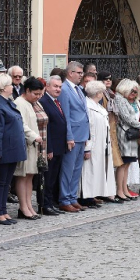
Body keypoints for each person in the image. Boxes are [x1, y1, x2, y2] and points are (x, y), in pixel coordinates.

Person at [0, 73, 26, 224]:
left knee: (7, 182)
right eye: (10, 84)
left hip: (12, 148)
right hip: (4, 148)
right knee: (0, 181)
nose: (13, 87)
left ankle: (3, 210)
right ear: (4, 88)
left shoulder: (6, 102)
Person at [57, 61, 90, 211]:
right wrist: (69, 136)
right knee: (68, 169)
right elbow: (66, 116)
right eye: (79, 73)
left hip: (81, 134)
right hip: (73, 135)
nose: (81, 75)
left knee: (77, 169)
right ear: (70, 73)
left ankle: (72, 196)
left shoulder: (78, 89)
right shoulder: (64, 89)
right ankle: (64, 199)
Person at [12, 77, 46, 219]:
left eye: (40, 94)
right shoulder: (20, 103)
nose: (38, 97)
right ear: (27, 90)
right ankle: (23, 207)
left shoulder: (33, 103)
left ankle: (29, 205)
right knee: (23, 176)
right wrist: (34, 136)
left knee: (30, 176)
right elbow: (22, 124)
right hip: (26, 144)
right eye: (35, 94)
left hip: (35, 145)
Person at [113, 78, 140, 199]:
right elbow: (127, 118)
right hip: (125, 134)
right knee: (123, 164)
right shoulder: (120, 100)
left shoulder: (130, 101)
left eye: (136, 92)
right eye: (132, 91)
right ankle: (120, 190)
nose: (134, 94)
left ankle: (124, 188)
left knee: (127, 164)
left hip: (132, 134)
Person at [82, 80, 116, 202]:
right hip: (94, 143)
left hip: (103, 143)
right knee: (90, 170)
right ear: (97, 93)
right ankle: (88, 196)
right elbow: (89, 128)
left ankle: (97, 193)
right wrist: (88, 147)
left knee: (99, 169)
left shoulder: (98, 106)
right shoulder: (88, 106)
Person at [39, 75, 68, 214]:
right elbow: (47, 128)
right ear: (47, 87)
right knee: (48, 178)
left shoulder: (56, 101)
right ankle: (46, 204)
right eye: (55, 86)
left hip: (59, 146)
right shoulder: (44, 101)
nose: (58, 89)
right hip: (51, 147)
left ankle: (52, 202)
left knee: (55, 177)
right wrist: (48, 148)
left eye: (60, 87)